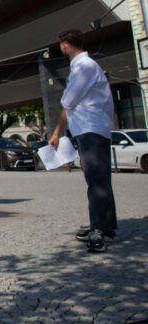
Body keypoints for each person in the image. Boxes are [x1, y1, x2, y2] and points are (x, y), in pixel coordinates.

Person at [50, 28, 116, 253]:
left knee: (96, 179)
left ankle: (99, 230)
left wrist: (58, 131)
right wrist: (58, 132)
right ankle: (105, 225)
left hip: (91, 129)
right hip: (92, 127)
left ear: (65, 46)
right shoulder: (85, 67)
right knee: (99, 179)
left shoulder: (84, 67)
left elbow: (68, 100)